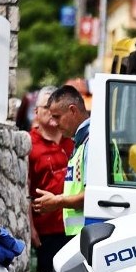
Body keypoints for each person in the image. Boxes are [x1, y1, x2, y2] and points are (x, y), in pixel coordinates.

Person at [27, 86, 74, 272]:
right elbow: (25, 189)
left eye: (55, 106)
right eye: (47, 106)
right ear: (36, 111)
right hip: (46, 231)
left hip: (73, 228)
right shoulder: (29, 143)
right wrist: (30, 228)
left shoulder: (73, 142)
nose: (52, 112)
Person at [33, 84, 90, 236]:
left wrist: (58, 202)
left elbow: (94, 195)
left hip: (90, 232)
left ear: (72, 110)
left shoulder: (92, 142)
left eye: (57, 117)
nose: (55, 123)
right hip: (81, 234)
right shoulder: (82, 141)